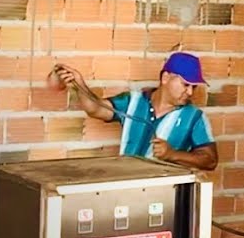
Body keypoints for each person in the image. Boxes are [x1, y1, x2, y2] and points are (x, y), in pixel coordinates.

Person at [53, 51, 218, 171]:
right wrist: (79, 84)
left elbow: (210, 161)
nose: (190, 92)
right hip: (127, 187)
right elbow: (95, 109)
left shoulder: (195, 117)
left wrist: (172, 154)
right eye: (186, 84)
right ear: (165, 78)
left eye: (194, 87)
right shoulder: (133, 101)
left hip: (167, 197)